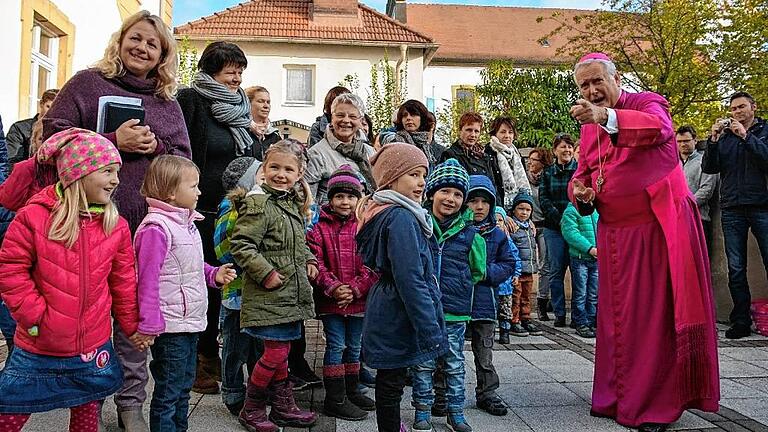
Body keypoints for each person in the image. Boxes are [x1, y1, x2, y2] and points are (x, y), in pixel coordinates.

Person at [42, 11, 191, 430]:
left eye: (152, 44)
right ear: (121, 39)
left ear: (163, 55)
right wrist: (110, 141)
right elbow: (51, 138)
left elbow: (183, 162)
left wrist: (153, 143)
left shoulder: (167, 103)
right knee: (83, 315)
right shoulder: (88, 84)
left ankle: (130, 405)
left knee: (131, 321)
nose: (142, 48)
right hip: (84, 223)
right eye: (136, 38)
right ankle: (81, 398)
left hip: (144, 230)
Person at [569, 52, 719, 431]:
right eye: (584, 85)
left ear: (615, 79)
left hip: (656, 230)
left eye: (597, 80)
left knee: (653, 318)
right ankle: (617, 396)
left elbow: (658, 129)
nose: (592, 90)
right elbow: (582, 173)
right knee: (617, 321)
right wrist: (580, 192)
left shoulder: (646, 102)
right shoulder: (588, 129)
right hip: (615, 235)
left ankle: (654, 404)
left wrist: (605, 118)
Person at [0, 128, 144, 431]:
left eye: (116, 171)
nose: (116, 180)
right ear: (79, 175)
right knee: (11, 410)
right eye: (107, 171)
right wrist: (33, 315)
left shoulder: (115, 224)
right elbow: (11, 268)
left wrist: (132, 326)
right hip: (38, 345)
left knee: (87, 411)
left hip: (92, 344)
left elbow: (123, 281)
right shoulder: (33, 218)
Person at [134, 155, 236, 430]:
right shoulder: (156, 229)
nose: (200, 192)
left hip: (189, 322)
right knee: (169, 392)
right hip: (170, 327)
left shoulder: (185, 223)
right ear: (170, 192)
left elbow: (188, 264)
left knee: (181, 390)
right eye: (193, 186)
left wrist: (214, 274)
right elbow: (147, 279)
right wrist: (148, 324)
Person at [356, 143, 448, 432]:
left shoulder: (384, 211)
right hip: (398, 308)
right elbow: (411, 279)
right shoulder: (401, 218)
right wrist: (431, 329)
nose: (422, 182)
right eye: (413, 175)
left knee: (391, 374)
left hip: (388, 303)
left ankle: (392, 425)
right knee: (392, 380)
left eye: (423, 174)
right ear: (392, 178)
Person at [177, 40, 252, 394]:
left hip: (232, 212)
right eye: (230, 67)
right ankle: (195, 360)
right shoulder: (192, 100)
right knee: (200, 286)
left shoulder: (241, 107)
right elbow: (181, 152)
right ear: (211, 69)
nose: (237, 74)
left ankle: (211, 353)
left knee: (225, 285)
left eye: (240, 68)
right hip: (201, 210)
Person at [230, 139, 319, 431]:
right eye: (274, 167)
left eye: (288, 169)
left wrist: (310, 261)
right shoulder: (259, 204)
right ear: (264, 169)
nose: (281, 174)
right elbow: (242, 245)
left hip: (289, 295)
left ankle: (283, 406)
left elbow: (298, 244)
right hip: (270, 293)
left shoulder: (290, 203)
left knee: (280, 352)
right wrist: (265, 273)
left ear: (299, 173)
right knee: (276, 353)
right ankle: (252, 407)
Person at [412, 159, 484, 432]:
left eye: (457, 194)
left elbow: (478, 270)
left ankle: (456, 412)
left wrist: (460, 286)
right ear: (431, 193)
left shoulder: (470, 234)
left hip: (455, 310)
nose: (450, 198)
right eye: (444, 191)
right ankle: (422, 411)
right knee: (423, 364)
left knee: (454, 363)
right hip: (424, 310)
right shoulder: (419, 227)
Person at [306, 165, 378, 421]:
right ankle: (335, 399)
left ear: (359, 199)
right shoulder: (319, 227)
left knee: (355, 345)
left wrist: (358, 288)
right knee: (336, 345)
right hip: (331, 300)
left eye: (350, 196)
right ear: (330, 198)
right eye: (339, 196)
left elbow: (374, 262)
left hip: (359, 300)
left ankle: (351, 389)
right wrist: (334, 288)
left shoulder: (366, 226)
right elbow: (316, 261)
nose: (345, 201)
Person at [702, 91, 768, 339]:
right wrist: (713, 140)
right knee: (736, 268)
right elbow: (710, 167)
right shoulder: (726, 136)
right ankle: (740, 320)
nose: (736, 112)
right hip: (731, 208)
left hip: (761, 205)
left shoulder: (763, 131)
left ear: (753, 107)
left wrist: (746, 136)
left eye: (741, 107)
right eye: (733, 109)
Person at [214, 157, 266, 415]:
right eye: (261, 174)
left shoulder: (262, 205)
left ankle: (257, 390)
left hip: (258, 293)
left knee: (258, 344)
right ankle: (233, 391)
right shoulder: (231, 206)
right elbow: (223, 248)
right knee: (235, 345)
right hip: (236, 291)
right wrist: (252, 260)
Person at [465, 175, 518, 417]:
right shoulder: (457, 231)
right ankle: (441, 392)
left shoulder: (497, 235)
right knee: (447, 353)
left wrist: (486, 273)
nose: (478, 206)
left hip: (485, 304)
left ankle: (487, 392)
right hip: (456, 305)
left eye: (484, 202)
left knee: (484, 353)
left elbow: (508, 263)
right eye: (473, 201)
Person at [305, 93, 376, 205]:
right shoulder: (316, 154)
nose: (346, 120)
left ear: (361, 120)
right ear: (332, 118)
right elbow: (308, 202)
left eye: (352, 116)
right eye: (340, 115)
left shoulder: (369, 151)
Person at [539, 134, 577, 327]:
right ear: (555, 150)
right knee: (556, 272)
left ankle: (579, 316)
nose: (567, 150)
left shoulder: (580, 170)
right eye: (563, 147)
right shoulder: (548, 173)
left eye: (570, 146)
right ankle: (559, 314)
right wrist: (560, 219)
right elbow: (544, 199)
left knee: (578, 272)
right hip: (554, 229)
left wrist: (570, 220)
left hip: (578, 229)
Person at [440, 112, 505, 205]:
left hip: (487, 207)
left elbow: (494, 186)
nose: (473, 135)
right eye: (469, 130)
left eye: (476, 131)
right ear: (460, 130)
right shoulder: (450, 155)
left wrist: (499, 209)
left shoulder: (485, 156)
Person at [560, 202, 599, 338]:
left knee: (593, 293)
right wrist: (589, 248)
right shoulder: (571, 210)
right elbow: (570, 232)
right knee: (581, 292)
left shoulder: (596, 210)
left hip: (596, 259)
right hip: (580, 258)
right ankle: (580, 321)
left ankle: (591, 320)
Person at [677, 125, 718, 253]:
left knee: (698, 259)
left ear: (695, 140)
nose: (683, 144)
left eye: (686, 141)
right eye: (679, 141)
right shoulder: (672, 165)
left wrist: (684, 206)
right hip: (675, 220)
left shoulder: (704, 161)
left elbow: (706, 190)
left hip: (698, 219)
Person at [506, 192, 541, 339]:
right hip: (517, 271)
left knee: (526, 296)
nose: (524, 213)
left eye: (527, 210)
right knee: (516, 296)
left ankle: (525, 317)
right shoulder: (513, 227)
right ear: (514, 210)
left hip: (529, 269)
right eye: (521, 209)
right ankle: (514, 320)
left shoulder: (530, 228)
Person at [527, 147, 553, 321]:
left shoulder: (548, 179)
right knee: (525, 264)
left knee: (545, 265)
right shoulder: (523, 179)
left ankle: (542, 301)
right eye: (529, 159)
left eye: (534, 160)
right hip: (528, 226)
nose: (530, 162)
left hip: (545, 226)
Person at [487, 116, 531, 209]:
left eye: (510, 132)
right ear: (495, 134)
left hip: (518, 209)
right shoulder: (488, 153)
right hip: (496, 208)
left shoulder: (517, 155)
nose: (507, 136)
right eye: (503, 132)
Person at [6, 89, 58, 165]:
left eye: (55, 109)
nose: (51, 112)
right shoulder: (20, 128)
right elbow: (11, 160)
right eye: (48, 107)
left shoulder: (61, 130)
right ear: (41, 104)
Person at [381, 99, 439, 167]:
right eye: (404, 115)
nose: (408, 118)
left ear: (422, 118)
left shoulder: (426, 145)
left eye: (413, 114)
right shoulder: (394, 143)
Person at [247, 86, 281, 161]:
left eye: (268, 102)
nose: (266, 106)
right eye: (261, 101)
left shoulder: (275, 136)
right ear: (248, 104)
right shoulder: (241, 132)